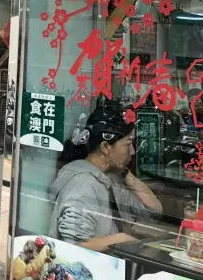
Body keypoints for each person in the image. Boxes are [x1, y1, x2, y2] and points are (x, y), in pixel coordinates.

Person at [49, 104, 162, 252]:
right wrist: (117, 240)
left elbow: (153, 213)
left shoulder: (111, 178)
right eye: (128, 144)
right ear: (106, 147)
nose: (133, 151)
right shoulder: (84, 185)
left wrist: (126, 174)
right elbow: (73, 246)